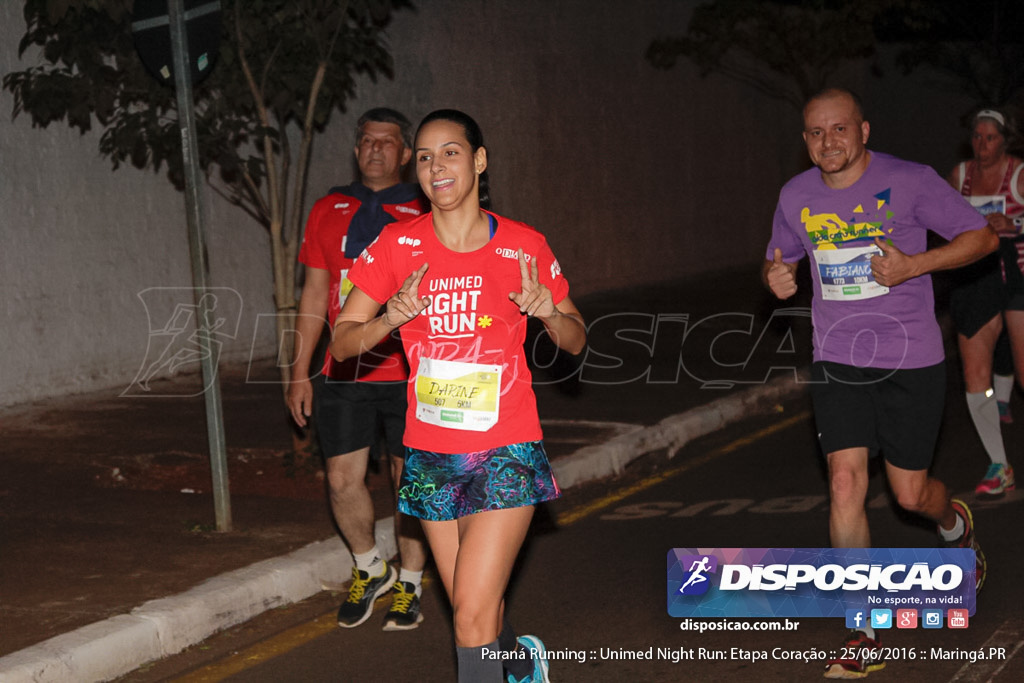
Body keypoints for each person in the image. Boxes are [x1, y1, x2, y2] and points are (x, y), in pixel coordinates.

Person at [330, 109, 585, 683]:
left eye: (449, 151)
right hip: (430, 452)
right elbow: (343, 344)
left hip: (506, 447)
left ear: (479, 160)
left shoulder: (523, 245)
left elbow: (575, 336)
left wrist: (547, 311)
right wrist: (387, 319)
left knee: (468, 616)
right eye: (423, 156)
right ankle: (519, 662)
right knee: (482, 612)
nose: (435, 165)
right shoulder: (396, 246)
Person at [763, 88, 997, 680]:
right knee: (845, 483)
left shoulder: (912, 181)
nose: (827, 143)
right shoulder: (795, 195)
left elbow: (982, 237)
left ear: (864, 130)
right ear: (804, 140)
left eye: (839, 130)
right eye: (815, 133)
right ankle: (861, 628)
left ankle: (956, 525)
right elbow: (781, 256)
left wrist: (915, 265)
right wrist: (777, 276)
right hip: (837, 358)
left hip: (910, 358)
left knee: (910, 496)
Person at [287, 107, 429, 631]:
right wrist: (298, 369)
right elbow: (315, 292)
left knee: (406, 482)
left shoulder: (426, 207)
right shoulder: (329, 209)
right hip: (345, 371)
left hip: (411, 370)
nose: (375, 150)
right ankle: (370, 567)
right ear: (356, 149)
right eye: (367, 141)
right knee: (341, 478)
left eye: (387, 142)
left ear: (406, 154)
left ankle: (410, 582)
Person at [947, 107, 1024, 497]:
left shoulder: (1019, 175)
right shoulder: (960, 176)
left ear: (1004, 140)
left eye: (990, 137)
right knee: (975, 374)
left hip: (1018, 277)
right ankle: (1000, 465)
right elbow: (940, 222)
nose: (982, 144)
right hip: (976, 278)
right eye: (976, 136)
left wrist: (1016, 225)